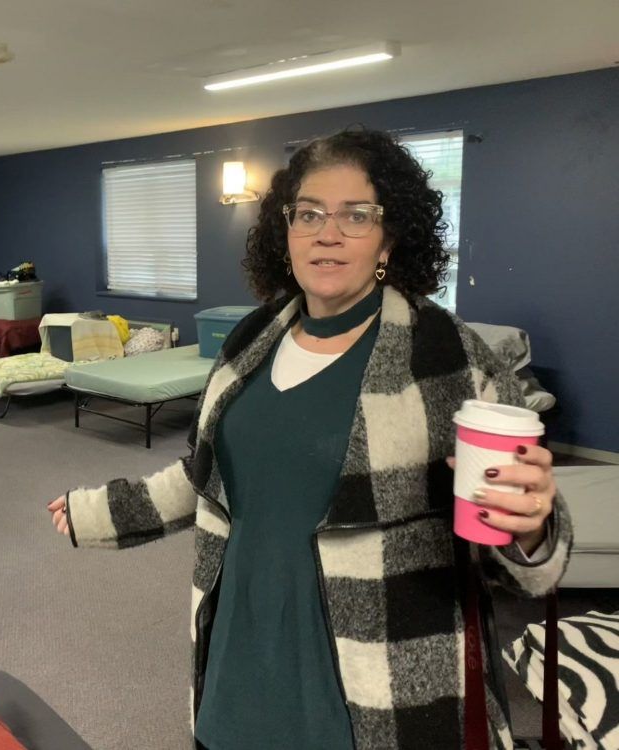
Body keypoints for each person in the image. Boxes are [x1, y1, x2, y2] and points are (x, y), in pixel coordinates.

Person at [46, 128, 571, 750]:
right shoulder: (252, 340)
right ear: (286, 232)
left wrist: (532, 526)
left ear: (389, 237)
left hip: (384, 675)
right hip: (243, 649)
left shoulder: (448, 356)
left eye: (357, 215)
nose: (329, 232)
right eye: (310, 213)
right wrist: (99, 512)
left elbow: (525, 558)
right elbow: (205, 476)